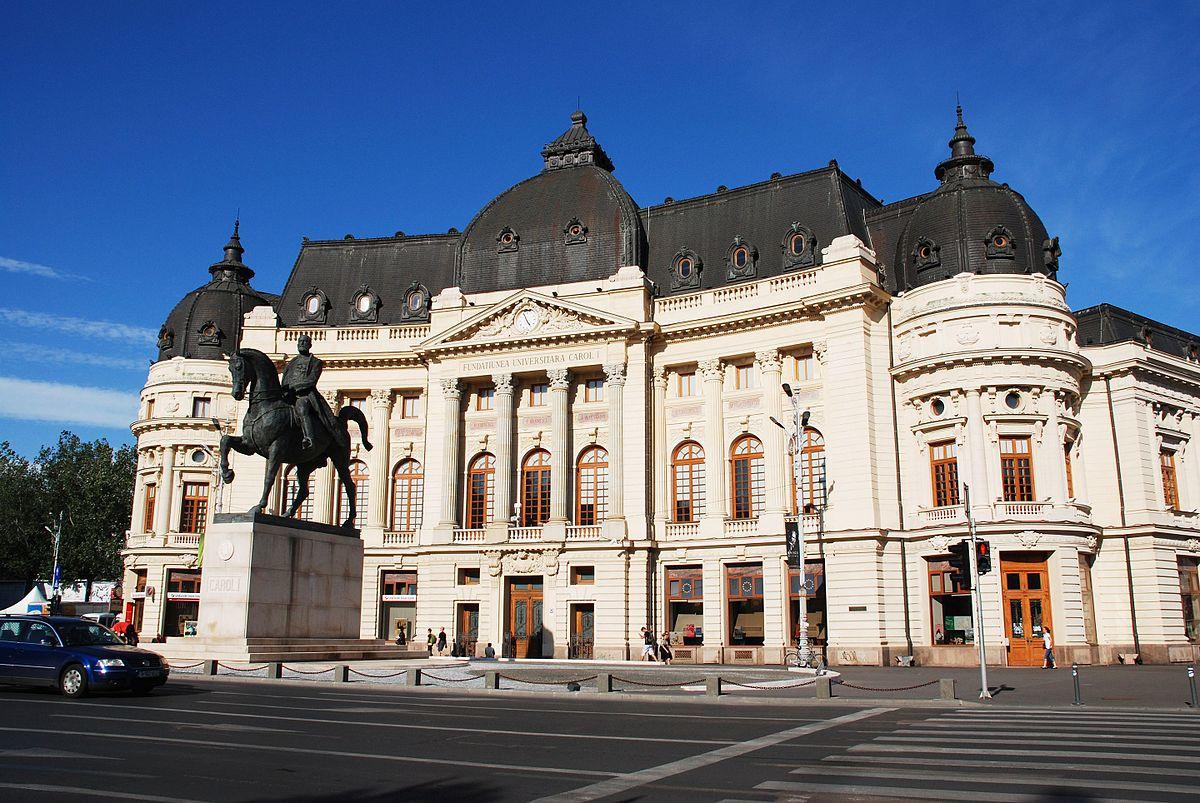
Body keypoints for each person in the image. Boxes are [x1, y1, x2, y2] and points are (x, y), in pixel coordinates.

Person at [281, 334, 344, 451]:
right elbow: (285, 380)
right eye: (300, 341)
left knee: (302, 407)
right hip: (289, 396)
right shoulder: (291, 363)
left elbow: (310, 381)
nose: (302, 343)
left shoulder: (316, 362)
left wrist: (294, 388)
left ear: (310, 345)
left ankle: (308, 438)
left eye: (305, 342)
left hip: (305, 395)